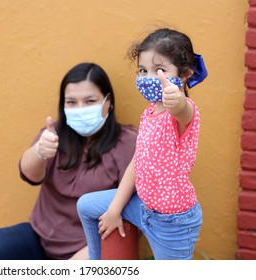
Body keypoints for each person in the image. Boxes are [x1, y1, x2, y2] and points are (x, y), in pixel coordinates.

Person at [0, 62, 138, 260]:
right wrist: (39, 151)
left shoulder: (127, 142)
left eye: (90, 101)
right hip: (41, 239)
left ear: (108, 102)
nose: (80, 109)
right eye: (71, 102)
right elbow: (30, 174)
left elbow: (136, 209)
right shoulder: (53, 134)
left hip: (93, 247)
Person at [77, 28, 208, 260]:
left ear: (185, 74)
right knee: (86, 206)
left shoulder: (184, 111)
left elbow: (181, 109)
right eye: (143, 70)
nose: (148, 78)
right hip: (142, 206)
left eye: (159, 70)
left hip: (172, 224)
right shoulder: (149, 112)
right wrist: (114, 209)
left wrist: (176, 100)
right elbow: (138, 162)